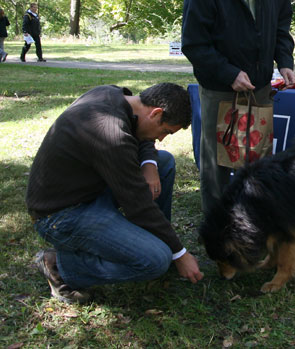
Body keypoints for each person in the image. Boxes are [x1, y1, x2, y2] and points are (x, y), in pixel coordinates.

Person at [26, 82, 203, 303]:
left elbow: (141, 133)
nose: (161, 139)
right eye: (165, 131)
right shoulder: (112, 134)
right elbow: (138, 204)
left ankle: (154, 240)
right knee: (156, 260)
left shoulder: (114, 96)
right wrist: (180, 253)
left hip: (88, 190)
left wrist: (149, 162)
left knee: (162, 162)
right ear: (156, 112)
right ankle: (60, 267)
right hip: (61, 215)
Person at [180, 0, 295, 217]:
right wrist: (228, 72)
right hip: (220, 91)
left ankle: (255, 223)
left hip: (260, 88)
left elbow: (282, 23)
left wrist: (284, 60)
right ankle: (220, 231)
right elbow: (194, 44)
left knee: (258, 162)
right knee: (217, 166)